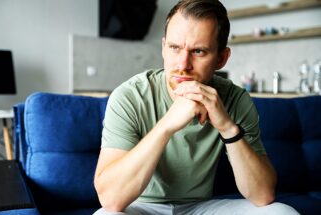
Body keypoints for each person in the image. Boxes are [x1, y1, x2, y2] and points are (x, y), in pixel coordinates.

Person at [93, 0, 299, 214]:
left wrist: (228, 128)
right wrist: (167, 125)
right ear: (163, 48)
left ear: (221, 58)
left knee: (281, 212)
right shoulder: (130, 96)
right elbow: (110, 199)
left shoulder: (235, 99)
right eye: (174, 48)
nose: (183, 65)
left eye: (198, 51)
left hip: (200, 208)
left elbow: (263, 195)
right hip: (140, 207)